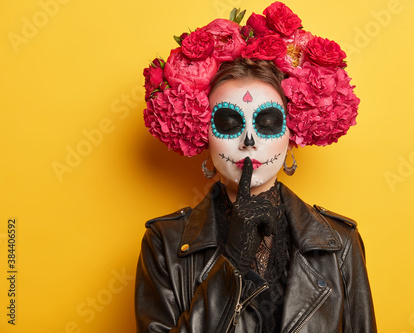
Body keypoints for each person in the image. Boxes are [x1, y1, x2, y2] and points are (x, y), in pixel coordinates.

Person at [135, 3, 376, 332]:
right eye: (229, 123)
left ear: (292, 135)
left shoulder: (339, 242)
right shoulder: (165, 243)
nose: (249, 140)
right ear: (201, 134)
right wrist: (231, 264)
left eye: (267, 122)